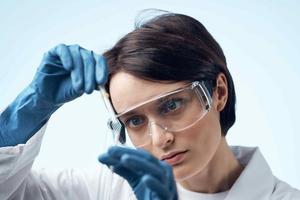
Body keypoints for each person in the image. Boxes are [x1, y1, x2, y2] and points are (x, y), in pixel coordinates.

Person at [0, 10, 299, 200]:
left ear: (219, 92)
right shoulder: (107, 189)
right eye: (135, 121)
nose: (160, 139)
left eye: (171, 106)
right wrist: (31, 106)